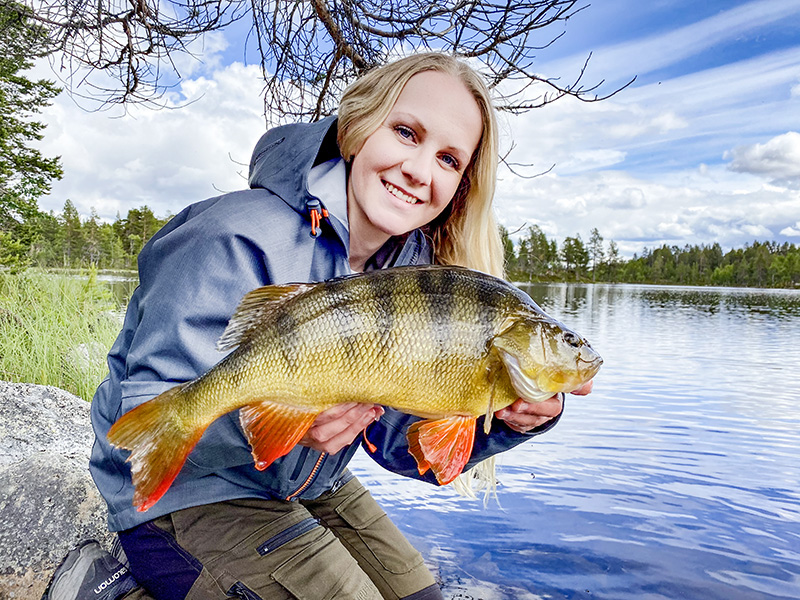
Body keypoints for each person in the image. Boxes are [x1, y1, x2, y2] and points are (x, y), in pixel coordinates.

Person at [43, 52, 589, 600]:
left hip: (308, 480)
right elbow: (145, 415)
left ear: (461, 183)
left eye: (449, 159)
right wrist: (285, 420)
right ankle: (106, 588)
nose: (420, 171)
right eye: (405, 132)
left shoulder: (409, 275)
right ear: (355, 127)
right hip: (188, 495)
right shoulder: (232, 236)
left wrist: (512, 421)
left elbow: (403, 445)